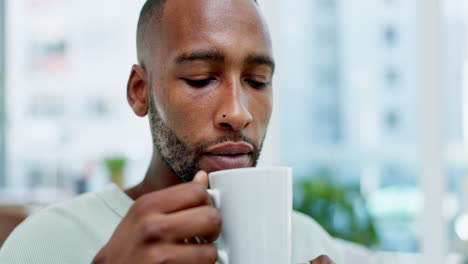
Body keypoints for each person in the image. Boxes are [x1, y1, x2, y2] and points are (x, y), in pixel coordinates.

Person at [0, 0, 344, 263]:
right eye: (201, 79)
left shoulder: (307, 242)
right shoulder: (44, 242)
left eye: (257, 81)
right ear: (139, 91)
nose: (238, 114)